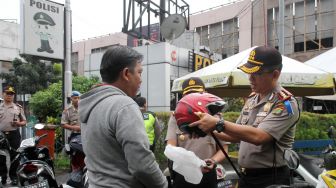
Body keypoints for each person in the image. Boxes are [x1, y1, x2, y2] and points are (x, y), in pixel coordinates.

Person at [189, 46, 300, 188]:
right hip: (246, 177)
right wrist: (207, 129)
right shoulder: (253, 99)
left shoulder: (285, 103)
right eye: (248, 73)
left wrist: (217, 123)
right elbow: (236, 136)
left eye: (257, 74)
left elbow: (259, 137)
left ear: (275, 75)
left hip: (270, 178)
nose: (250, 78)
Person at [79, 45, 167, 188]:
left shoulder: (90, 104)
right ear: (126, 74)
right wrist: (163, 184)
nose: (141, 79)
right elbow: (142, 164)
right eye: (139, 72)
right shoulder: (124, 105)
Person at [166, 77, 227, 188]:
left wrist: (212, 161)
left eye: (196, 93)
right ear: (183, 97)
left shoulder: (215, 118)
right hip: (183, 174)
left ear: (204, 94)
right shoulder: (176, 118)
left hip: (209, 174)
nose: (192, 97)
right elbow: (171, 147)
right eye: (189, 94)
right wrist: (191, 164)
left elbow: (224, 149)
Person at [0, 86, 27, 185]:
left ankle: (13, 177)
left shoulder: (18, 108)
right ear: (3, 94)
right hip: (1, 135)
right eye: (7, 93)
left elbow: (24, 122)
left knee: (15, 157)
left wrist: (18, 124)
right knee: (1, 157)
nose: (9, 95)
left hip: (14, 134)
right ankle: (2, 177)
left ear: (13, 96)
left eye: (11, 94)